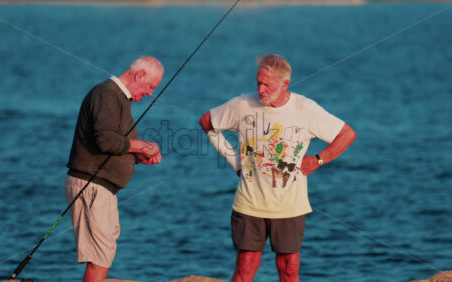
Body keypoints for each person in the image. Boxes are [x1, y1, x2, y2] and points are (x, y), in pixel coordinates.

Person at [199, 54, 357, 282]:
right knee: (244, 270)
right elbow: (207, 123)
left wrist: (317, 160)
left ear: (285, 84)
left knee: (289, 271)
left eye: (268, 85)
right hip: (249, 204)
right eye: (258, 83)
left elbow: (346, 135)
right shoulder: (243, 104)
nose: (261, 90)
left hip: (290, 207)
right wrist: (235, 162)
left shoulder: (305, 109)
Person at [65, 56, 164, 282]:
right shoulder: (106, 95)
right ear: (139, 75)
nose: (150, 94)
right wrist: (142, 145)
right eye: (150, 87)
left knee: (104, 252)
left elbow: (112, 145)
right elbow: (107, 141)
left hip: (102, 187)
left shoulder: (118, 98)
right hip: (91, 184)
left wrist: (138, 157)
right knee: (100, 255)